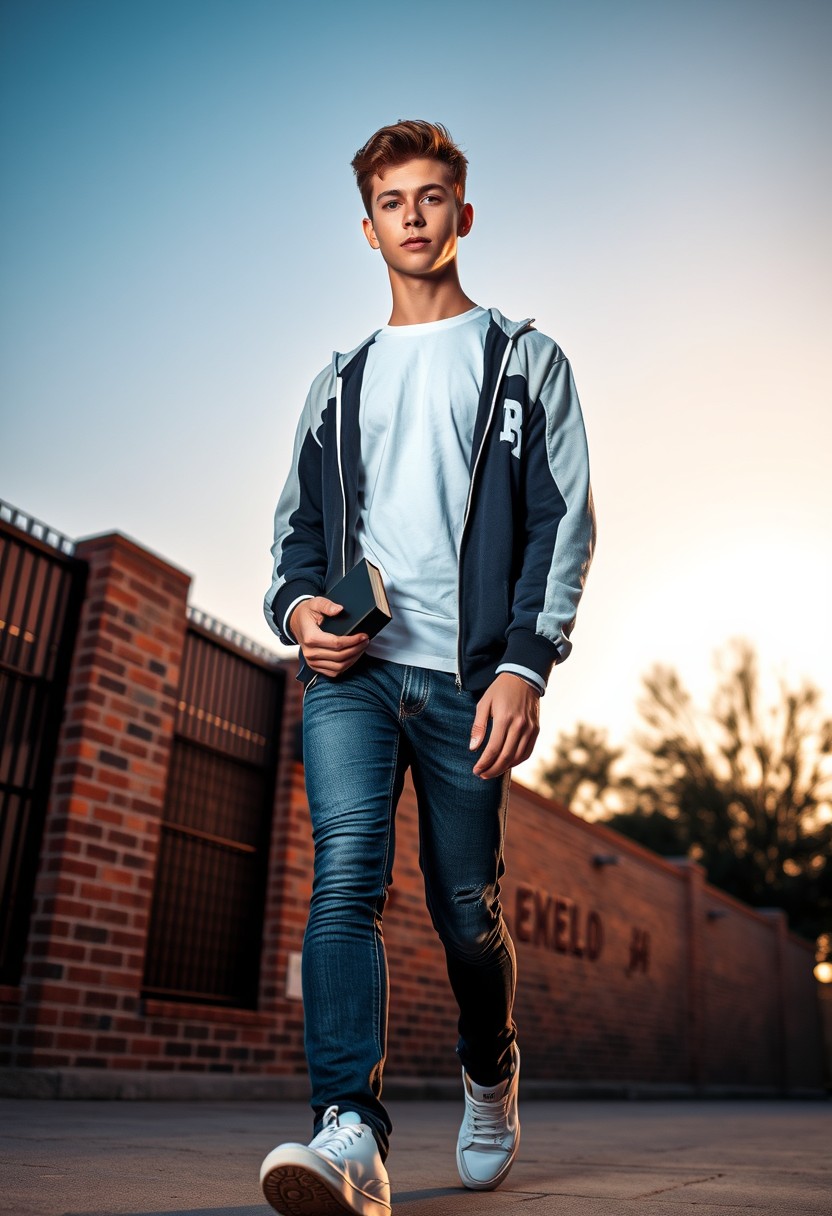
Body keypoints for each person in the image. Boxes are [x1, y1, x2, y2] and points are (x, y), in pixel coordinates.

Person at [260, 119, 595, 1216]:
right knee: (345, 872)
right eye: (393, 200)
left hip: (468, 681)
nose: (414, 213)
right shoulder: (338, 383)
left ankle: (488, 1066)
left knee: (465, 910)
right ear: (367, 227)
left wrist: (525, 667)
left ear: (464, 210)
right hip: (353, 678)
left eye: (433, 194)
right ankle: (347, 1130)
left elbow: (563, 521)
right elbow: (294, 543)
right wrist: (302, 609)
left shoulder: (523, 359)